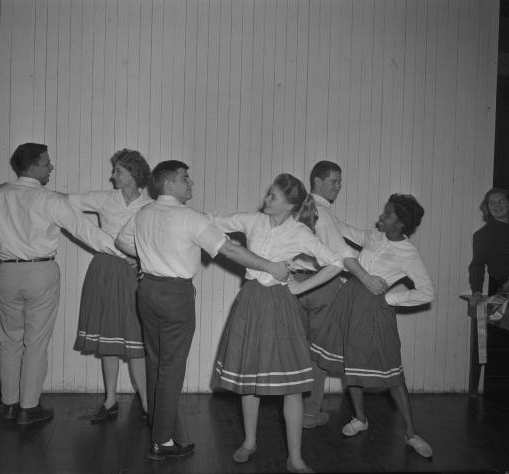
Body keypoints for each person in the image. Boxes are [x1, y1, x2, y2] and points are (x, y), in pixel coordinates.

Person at [115, 160, 290, 462]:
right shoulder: (190, 218)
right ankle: (162, 441)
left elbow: (121, 240)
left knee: (157, 362)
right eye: (185, 178)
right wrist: (270, 266)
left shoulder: (144, 212)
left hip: (147, 291)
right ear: (169, 185)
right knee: (172, 368)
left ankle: (160, 430)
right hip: (175, 295)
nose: (190, 183)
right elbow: (231, 251)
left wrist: (146, 257)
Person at [0, 143, 117, 426]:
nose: (51, 167)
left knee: (8, 341)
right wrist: (125, 252)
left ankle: (8, 404)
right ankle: (29, 407)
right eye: (47, 163)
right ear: (33, 166)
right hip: (41, 272)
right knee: (35, 343)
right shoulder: (48, 199)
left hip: (6, 273)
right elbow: (87, 232)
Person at [210, 174, 345, 474]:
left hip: (281, 307)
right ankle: (249, 442)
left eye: (273, 196)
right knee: (249, 380)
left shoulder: (299, 231)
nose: (266, 199)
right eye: (268, 193)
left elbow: (335, 262)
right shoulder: (252, 221)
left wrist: (298, 288)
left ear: (291, 204)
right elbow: (214, 221)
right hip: (250, 303)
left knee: (293, 386)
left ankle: (295, 459)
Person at [290, 194, 435, 458]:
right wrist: (319, 207)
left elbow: (426, 292)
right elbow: (343, 229)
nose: (381, 217)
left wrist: (391, 298)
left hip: (376, 312)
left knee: (393, 373)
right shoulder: (374, 237)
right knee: (351, 365)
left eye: (388, 214)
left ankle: (411, 433)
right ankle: (360, 419)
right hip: (349, 303)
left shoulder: (408, 253)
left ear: (401, 224)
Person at [297, 161, 388, 429]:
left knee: (300, 349)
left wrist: (384, 236)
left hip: (295, 285)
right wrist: (368, 279)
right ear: (317, 181)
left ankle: (296, 410)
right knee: (319, 353)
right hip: (321, 286)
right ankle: (309, 414)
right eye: (334, 181)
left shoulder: (309, 208)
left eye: (340, 181)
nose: (339, 186)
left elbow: (353, 233)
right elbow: (344, 254)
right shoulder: (320, 213)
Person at [68, 149, 152, 422]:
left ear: (134, 174)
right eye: (114, 170)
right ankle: (110, 400)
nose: (113, 175)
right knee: (108, 338)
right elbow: (68, 201)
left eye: (119, 171)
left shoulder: (149, 205)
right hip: (104, 270)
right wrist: (32, 193)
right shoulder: (105, 199)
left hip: (133, 275)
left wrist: (142, 261)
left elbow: (157, 239)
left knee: (135, 337)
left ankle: (147, 402)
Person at [468, 187, 509, 304]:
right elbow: (477, 266)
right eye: (492, 203)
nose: (497, 206)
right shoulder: (483, 235)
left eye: (501, 201)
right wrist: (477, 292)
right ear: (487, 208)